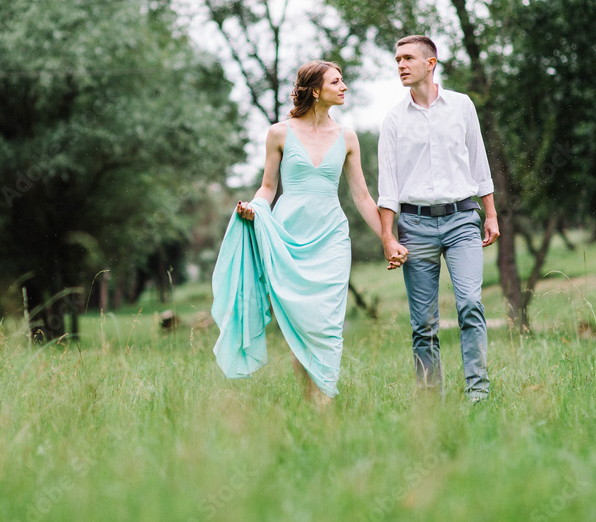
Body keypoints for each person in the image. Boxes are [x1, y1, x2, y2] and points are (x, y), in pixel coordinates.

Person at [211, 60, 408, 405]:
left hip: (331, 236)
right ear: (316, 90)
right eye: (336, 81)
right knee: (299, 322)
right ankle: (309, 401)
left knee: (328, 324)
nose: (344, 86)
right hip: (288, 237)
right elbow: (268, 188)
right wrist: (254, 210)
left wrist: (387, 239)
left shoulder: (347, 137)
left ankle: (325, 400)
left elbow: (362, 196)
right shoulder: (279, 133)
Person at [377, 35, 500, 403]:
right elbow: (388, 186)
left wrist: (490, 213)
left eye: (408, 58)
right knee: (424, 324)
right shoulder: (393, 120)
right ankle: (431, 402)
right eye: (397, 59)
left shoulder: (462, 106)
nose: (400, 65)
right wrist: (388, 237)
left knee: (470, 304)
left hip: (463, 219)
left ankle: (478, 394)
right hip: (414, 227)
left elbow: (479, 163)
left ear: (431, 64)